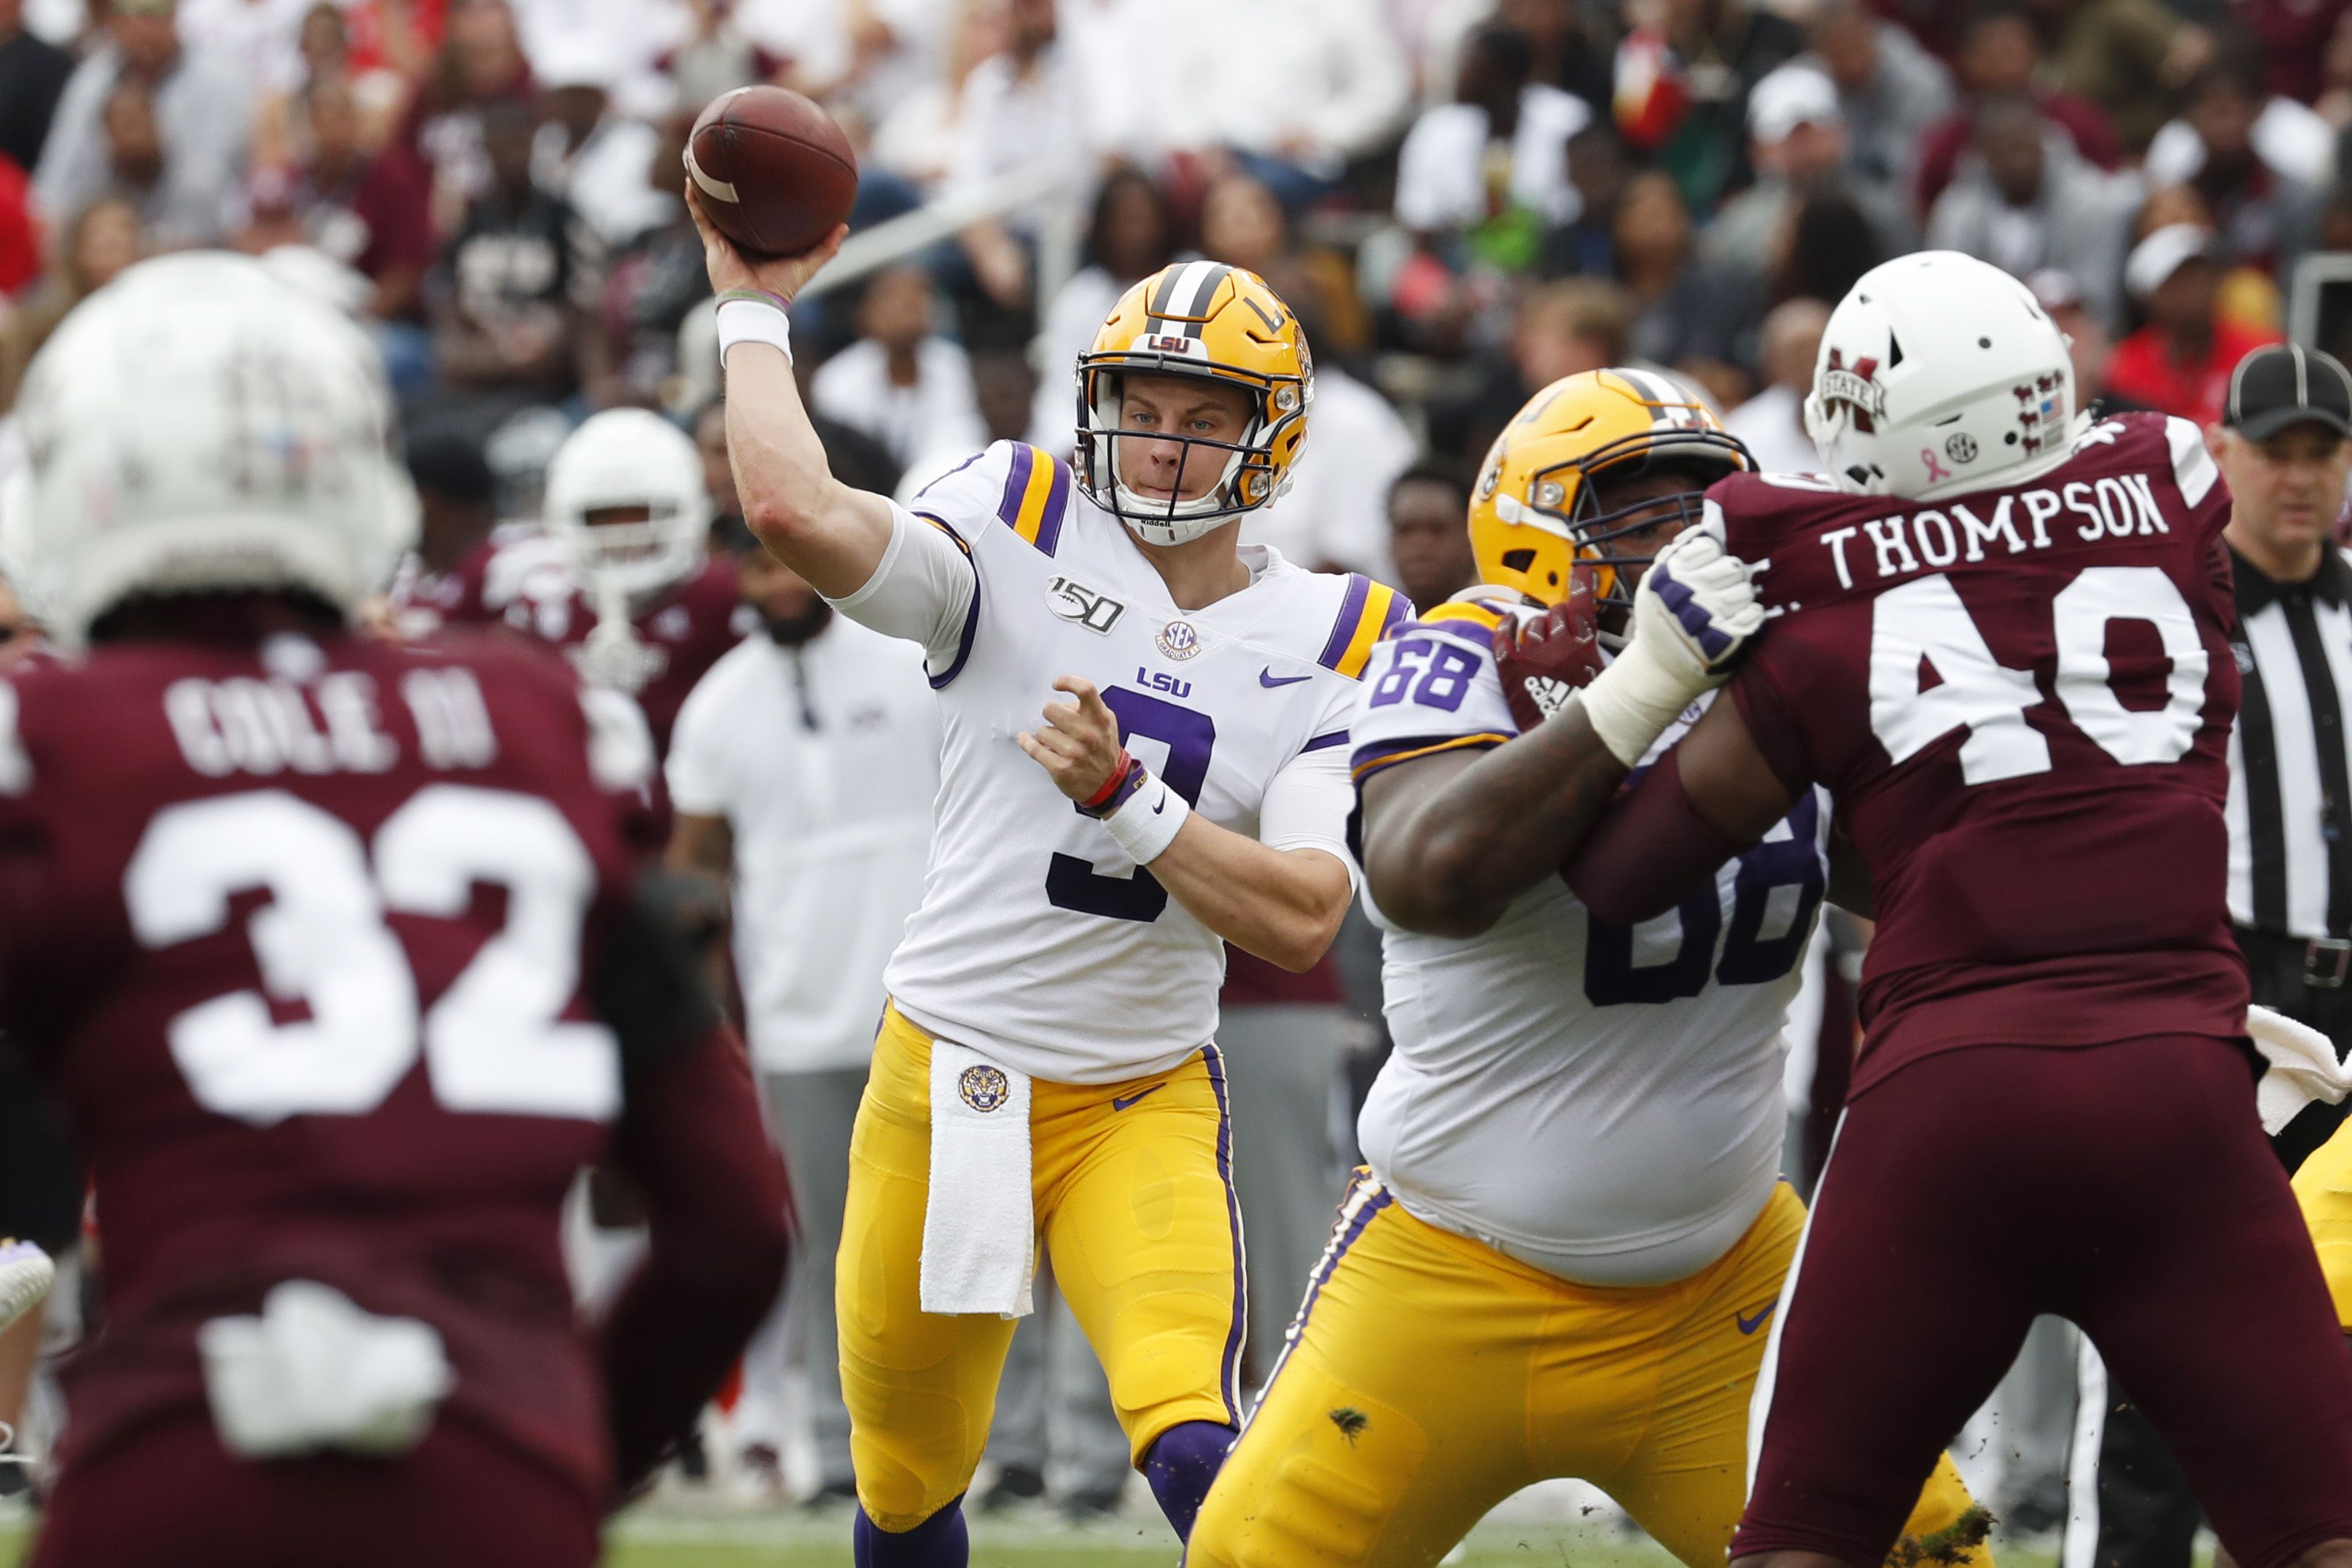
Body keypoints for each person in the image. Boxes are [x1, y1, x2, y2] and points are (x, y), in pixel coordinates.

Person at [1559, 249, 2352, 1568]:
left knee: (1807, 1533)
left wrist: (1647, 681)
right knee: (2321, 1531)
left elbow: (1619, 874)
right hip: (2177, 1093)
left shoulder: (1810, 586)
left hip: (1948, 1106)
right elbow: (2146, 483)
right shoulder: (2165, 486)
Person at [1, 250, 787, 1566]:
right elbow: (730, 1221)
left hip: (177, 1463)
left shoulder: (56, 741)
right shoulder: (535, 724)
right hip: (494, 1462)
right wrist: (562, 1442)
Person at [1187, 368, 1987, 1568]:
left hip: (1723, 1286)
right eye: (1637, 510)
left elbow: (1936, 880)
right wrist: (1641, 687)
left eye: (1700, 506)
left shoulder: (1781, 674)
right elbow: (1424, 872)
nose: (1682, 539)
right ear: (1532, 531)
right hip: (1448, 1274)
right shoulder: (1467, 651)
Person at [697, 187, 1374, 1557]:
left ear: (1273, 435)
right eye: (1143, 401)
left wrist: (1129, 800)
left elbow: (1303, 918)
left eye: (1205, 416)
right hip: (947, 1076)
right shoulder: (1015, 511)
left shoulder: (1339, 628)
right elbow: (792, 509)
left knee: (1193, 1430)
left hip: (1143, 1093)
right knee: (906, 1481)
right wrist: (752, 311)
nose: (1165, 443)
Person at [2080, 340, 2352, 1568]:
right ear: (2225, 455)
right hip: (2227, 992)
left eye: (2322, 453)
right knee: (2168, 1312)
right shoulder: (2173, 608)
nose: (2298, 479)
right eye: (2275, 452)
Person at [666, 520, 941, 1506]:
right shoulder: (716, 705)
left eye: (787, 560)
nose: (777, 582)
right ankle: (837, 1450)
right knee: (835, 1245)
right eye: (754, 564)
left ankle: (1021, 1450)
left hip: (935, 1005)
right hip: (795, 1020)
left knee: (974, 1233)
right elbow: (691, 872)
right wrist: (706, 1019)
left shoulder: (910, 662)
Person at [415, 408, 742, 757]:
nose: (624, 536)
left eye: (641, 513)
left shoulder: (727, 601)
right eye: (601, 518)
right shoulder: (541, 608)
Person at [31, 0, 248, 247]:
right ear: (112, 20)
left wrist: (158, 158)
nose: (144, 27)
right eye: (131, 14)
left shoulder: (221, 83)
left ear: (175, 14)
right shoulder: (91, 84)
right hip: (112, 255)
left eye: (154, 13)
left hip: (204, 252)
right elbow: (51, 194)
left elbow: (232, 194)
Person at [1923, 94, 2143, 335]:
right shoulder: (1957, 211)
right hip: (1985, 336)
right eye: (2007, 149)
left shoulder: (2092, 203)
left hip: (2070, 336)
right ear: (1984, 153)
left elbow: (2101, 306)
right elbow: (1946, 296)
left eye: (2026, 145)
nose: (2020, 161)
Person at [809, 263, 988, 474]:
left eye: (917, 299)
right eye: (893, 299)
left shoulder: (953, 366)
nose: (907, 307)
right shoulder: (836, 378)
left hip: (933, 489)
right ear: (866, 314)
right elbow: (843, 459)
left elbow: (961, 445)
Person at [2106, 223, 2279, 427]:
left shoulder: (2261, 353)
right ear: (2148, 300)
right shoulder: (2124, 369)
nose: (2198, 288)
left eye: (2202, 274)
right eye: (2178, 281)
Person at [1726, 299, 1829, 475]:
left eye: (1818, 351)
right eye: (1798, 355)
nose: (1810, 366)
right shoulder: (1743, 435)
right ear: (1771, 366)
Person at [1384, 462, 1478, 616]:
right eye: (1406, 531)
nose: (1420, 548)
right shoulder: (1370, 632)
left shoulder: (1501, 630)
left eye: (1437, 530)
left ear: (1470, 537)